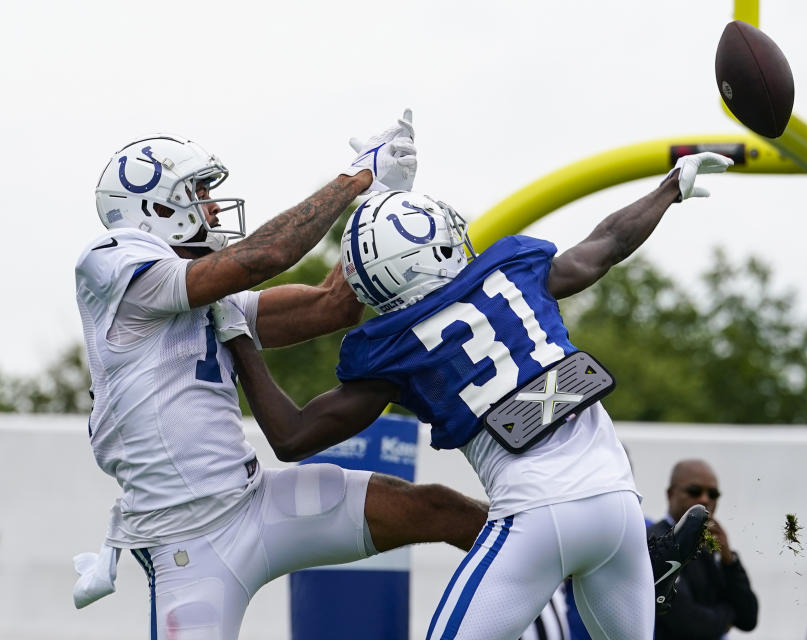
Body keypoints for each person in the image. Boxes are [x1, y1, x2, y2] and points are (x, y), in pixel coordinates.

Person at [210, 150, 733, 639]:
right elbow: (606, 244)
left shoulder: (395, 350)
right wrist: (668, 189)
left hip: (536, 520)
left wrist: (237, 333)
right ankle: (654, 555)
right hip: (620, 510)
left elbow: (293, 435)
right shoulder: (516, 274)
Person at [72, 111, 496, 640]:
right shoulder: (112, 262)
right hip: (183, 543)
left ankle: (565, 570)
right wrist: (355, 178)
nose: (211, 204)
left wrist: (375, 203)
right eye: (199, 191)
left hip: (256, 503)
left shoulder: (211, 299)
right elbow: (267, 255)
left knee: (433, 507)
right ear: (157, 208)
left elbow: (333, 306)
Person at [649, 459, 758, 639]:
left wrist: (729, 560)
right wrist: (729, 617)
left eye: (713, 494)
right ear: (671, 494)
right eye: (694, 491)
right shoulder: (656, 541)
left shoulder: (715, 545)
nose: (704, 499)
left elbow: (748, 619)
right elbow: (688, 623)